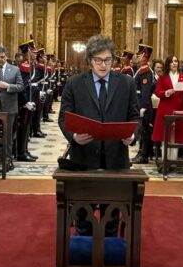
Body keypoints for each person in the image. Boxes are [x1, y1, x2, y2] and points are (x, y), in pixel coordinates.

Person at [58, 34, 140, 170]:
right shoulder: (74, 83)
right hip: (83, 157)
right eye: (98, 60)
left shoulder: (127, 83)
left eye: (107, 60)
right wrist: (74, 137)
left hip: (116, 159)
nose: (103, 65)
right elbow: (63, 118)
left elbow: (135, 117)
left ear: (113, 60)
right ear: (90, 60)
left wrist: (133, 135)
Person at [152, 55, 183, 161]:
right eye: (172, 61)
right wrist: (167, 92)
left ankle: (173, 160)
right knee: (165, 135)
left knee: (176, 136)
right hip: (165, 108)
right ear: (168, 64)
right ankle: (165, 159)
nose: (175, 63)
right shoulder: (162, 77)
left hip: (179, 108)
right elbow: (157, 92)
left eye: (176, 61)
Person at [132, 41, 156, 164]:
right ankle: (141, 153)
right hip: (139, 105)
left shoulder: (146, 71)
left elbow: (145, 92)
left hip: (144, 107)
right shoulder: (141, 70)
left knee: (145, 131)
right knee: (141, 132)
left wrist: (143, 107)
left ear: (144, 56)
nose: (136, 56)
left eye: (139, 54)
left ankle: (144, 155)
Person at [15, 38, 38, 163]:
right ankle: (21, 152)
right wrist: (25, 103)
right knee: (23, 127)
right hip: (25, 103)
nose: (35, 54)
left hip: (30, 100)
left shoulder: (30, 65)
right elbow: (22, 86)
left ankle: (25, 150)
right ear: (27, 52)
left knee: (27, 126)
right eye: (33, 52)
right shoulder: (24, 66)